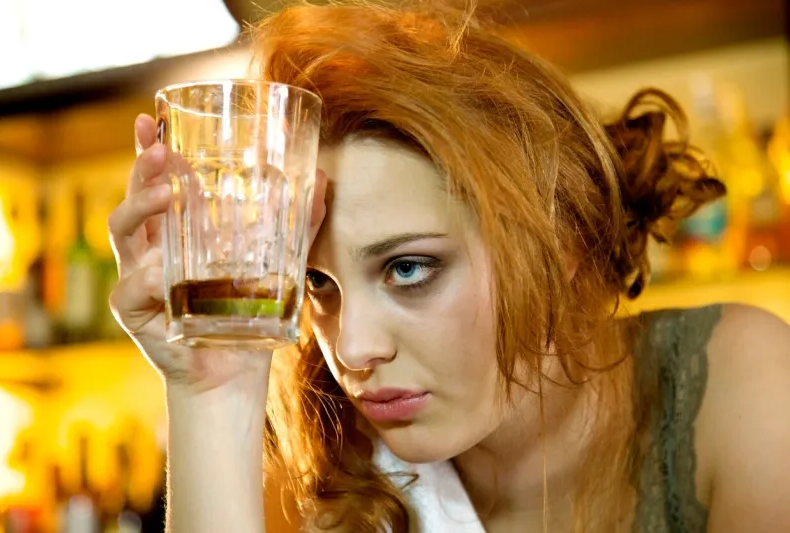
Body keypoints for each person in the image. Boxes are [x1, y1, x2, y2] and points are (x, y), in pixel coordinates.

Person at [107, 1, 790, 531]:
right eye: (318, 283)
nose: (353, 349)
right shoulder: (326, 464)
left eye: (408, 269)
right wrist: (210, 393)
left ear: (565, 239)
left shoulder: (744, 387)